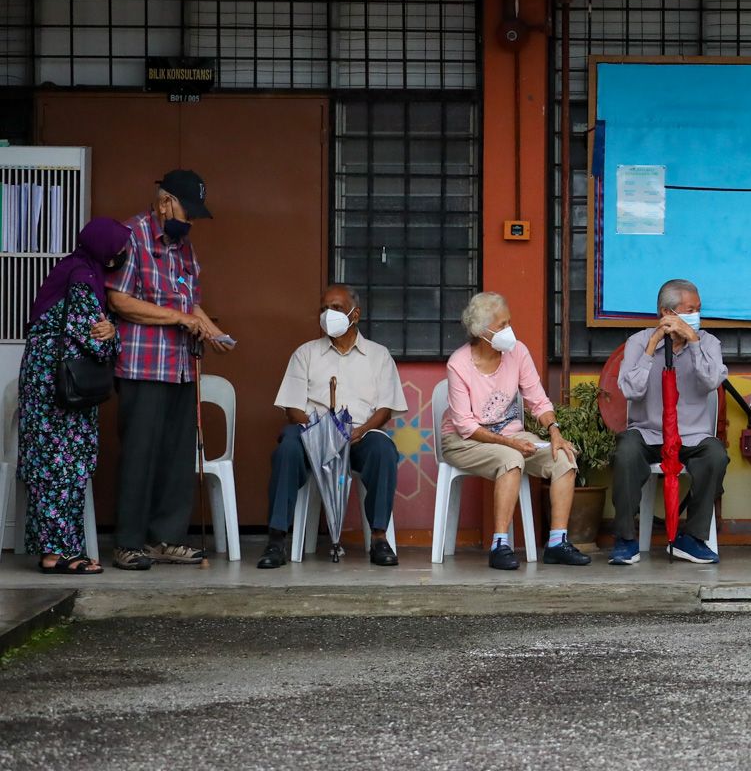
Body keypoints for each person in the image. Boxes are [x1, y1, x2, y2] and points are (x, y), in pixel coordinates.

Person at [106, 170, 230, 571]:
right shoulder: (132, 236)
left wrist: (212, 331)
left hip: (181, 368)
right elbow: (120, 301)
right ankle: (128, 542)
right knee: (140, 453)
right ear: (163, 203)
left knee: (178, 457)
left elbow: (189, 302)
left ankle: (166, 538)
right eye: (185, 209)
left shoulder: (184, 247)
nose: (190, 219)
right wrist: (178, 318)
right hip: (143, 366)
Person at [258, 285, 407, 569]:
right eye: (324, 309)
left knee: (384, 449)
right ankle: (276, 539)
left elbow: (385, 408)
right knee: (287, 447)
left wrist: (358, 431)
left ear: (356, 314)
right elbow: (292, 409)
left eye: (337, 309)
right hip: (313, 434)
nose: (329, 315)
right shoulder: (306, 354)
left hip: (359, 436)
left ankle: (378, 537)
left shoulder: (378, 355)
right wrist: (321, 429)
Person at [441, 292, 591, 571]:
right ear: (481, 331)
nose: (508, 331)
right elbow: (465, 425)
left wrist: (554, 431)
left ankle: (557, 542)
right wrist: (510, 444)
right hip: (463, 441)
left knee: (565, 458)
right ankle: (500, 545)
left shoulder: (517, 351)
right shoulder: (458, 364)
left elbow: (537, 398)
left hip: (510, 436)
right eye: (501, 325)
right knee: (511, 459)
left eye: (509, 323)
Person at [18, 218, 129, 574]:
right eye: (119, 249)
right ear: (104, 249)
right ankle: (58, 554)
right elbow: (94, 336)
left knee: (53, 465)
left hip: (47, 381)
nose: (123, 255)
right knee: (64, 467)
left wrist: (109, 331)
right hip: (62, 387)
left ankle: (59, 550)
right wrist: (114, 336)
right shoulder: (83, 279)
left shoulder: (73, 270)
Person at [610, 279, 729, 565]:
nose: (696, 316)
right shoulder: (638, 342)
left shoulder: (709, 343)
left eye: (698, 310)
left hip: (692, 436)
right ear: (666, 312)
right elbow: (631, 390)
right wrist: (652, 347)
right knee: (625, 451)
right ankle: (626, 539)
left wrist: (694, 342)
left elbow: (712, 381)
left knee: (716, 455)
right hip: (648, 433)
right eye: (690, 310)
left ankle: (692, 538)